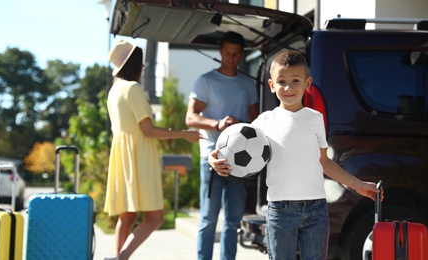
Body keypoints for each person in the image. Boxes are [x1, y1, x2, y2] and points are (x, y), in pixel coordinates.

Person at [208, 49, 383, 259]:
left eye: (296, 80)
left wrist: (358, 185)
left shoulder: (315, 118)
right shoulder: (264, 121)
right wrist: (213, 160)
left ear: (307, 84)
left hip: (316, 210)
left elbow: (325, 162)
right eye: (281, 81)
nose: (288, 87)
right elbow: (231, 147)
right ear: (272, 86)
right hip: (280, 211)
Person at [104, 40, 201, 260]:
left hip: (122, 156)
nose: (143, 68)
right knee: (155, 217)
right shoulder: (132, 88)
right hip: (139, 157)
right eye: (141, 63)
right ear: (133, 64)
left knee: (126, 217)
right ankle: (121, 258)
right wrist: (183, 134)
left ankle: (117, 257)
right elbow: (147, 130)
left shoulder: (114, 91)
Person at [186, 31, 259, 260]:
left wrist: (241, 125)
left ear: (241, 54)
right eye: (227, 52)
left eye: (236, 53)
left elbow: (256, 122)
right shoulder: (206, 81)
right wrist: (218, 124)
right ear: (220, 52)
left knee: (233, 219)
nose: (231, 57)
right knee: (208, 218)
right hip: (212, 157)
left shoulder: (247, 84)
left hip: (240, 160)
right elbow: (190, 118)